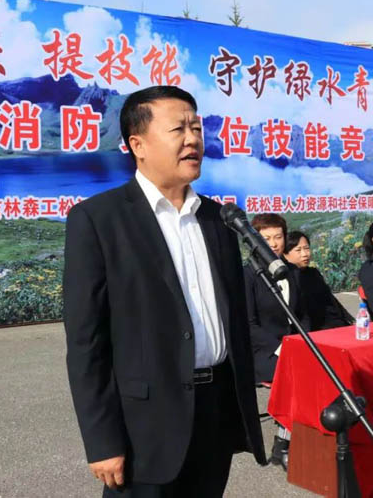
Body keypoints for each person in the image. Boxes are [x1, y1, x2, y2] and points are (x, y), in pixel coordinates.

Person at [63, 86, 266, 497]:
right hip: (145, 426)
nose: (193, 139)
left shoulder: (218, 219)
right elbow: (87, 343)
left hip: (215, 412)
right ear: (138, 145)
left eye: (197, 128)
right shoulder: (99, 220)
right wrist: (102, 441)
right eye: (178, 129)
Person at [243, 213, 309, 471]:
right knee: (297, 378)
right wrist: (282, 348)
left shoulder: (291, 271)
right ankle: (284, 445)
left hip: (293, 346)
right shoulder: (248, 275)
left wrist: (304, 342)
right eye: (266, 238)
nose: (273, 243)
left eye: (278, 237)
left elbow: (301, 314)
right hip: (263, 351)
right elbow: (249, 325)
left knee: (321, 370)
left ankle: (289, 443)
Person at [284, 230, 354, 329]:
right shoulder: (286, 278)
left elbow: (330, 301)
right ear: (285, 254)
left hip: (333, 324)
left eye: (306, 248)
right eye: (298, 250)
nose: (305, 254)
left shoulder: (313, 273)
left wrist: (347, 319)